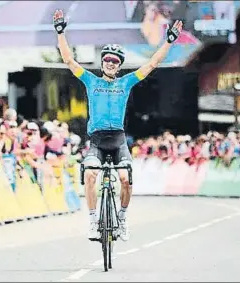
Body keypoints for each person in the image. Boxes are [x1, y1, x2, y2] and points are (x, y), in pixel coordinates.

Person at [53, 9, 183, 241]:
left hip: (118, 140)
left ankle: (122, 218)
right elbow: (68, 60)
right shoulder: (90, 80)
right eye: (107, 60)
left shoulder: (126, 82)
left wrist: (169, 41)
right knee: (91, 175)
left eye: (115, 61)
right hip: (97, 140)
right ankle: (93, 221)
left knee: (125, 179)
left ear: (120, 65)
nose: (111, 63)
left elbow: (152, 63)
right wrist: (61, 32)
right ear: (102, 63)